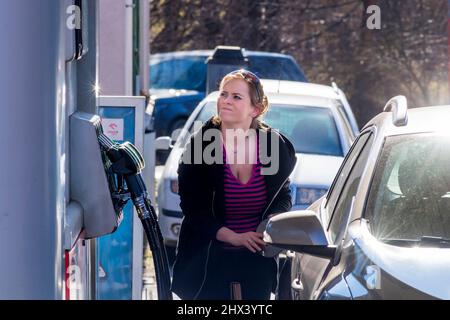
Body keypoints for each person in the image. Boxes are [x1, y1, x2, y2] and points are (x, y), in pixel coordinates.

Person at [171, 69, 297, 300]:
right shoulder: (202, 145)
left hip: (256, 262)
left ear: (255, 109)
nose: (226, 101)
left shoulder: (271, 145)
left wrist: (270, 223)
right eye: (223, 94)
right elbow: (193, 208)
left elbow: (283, 196)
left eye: (236, 97)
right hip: (206, 263)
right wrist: (233, 236)